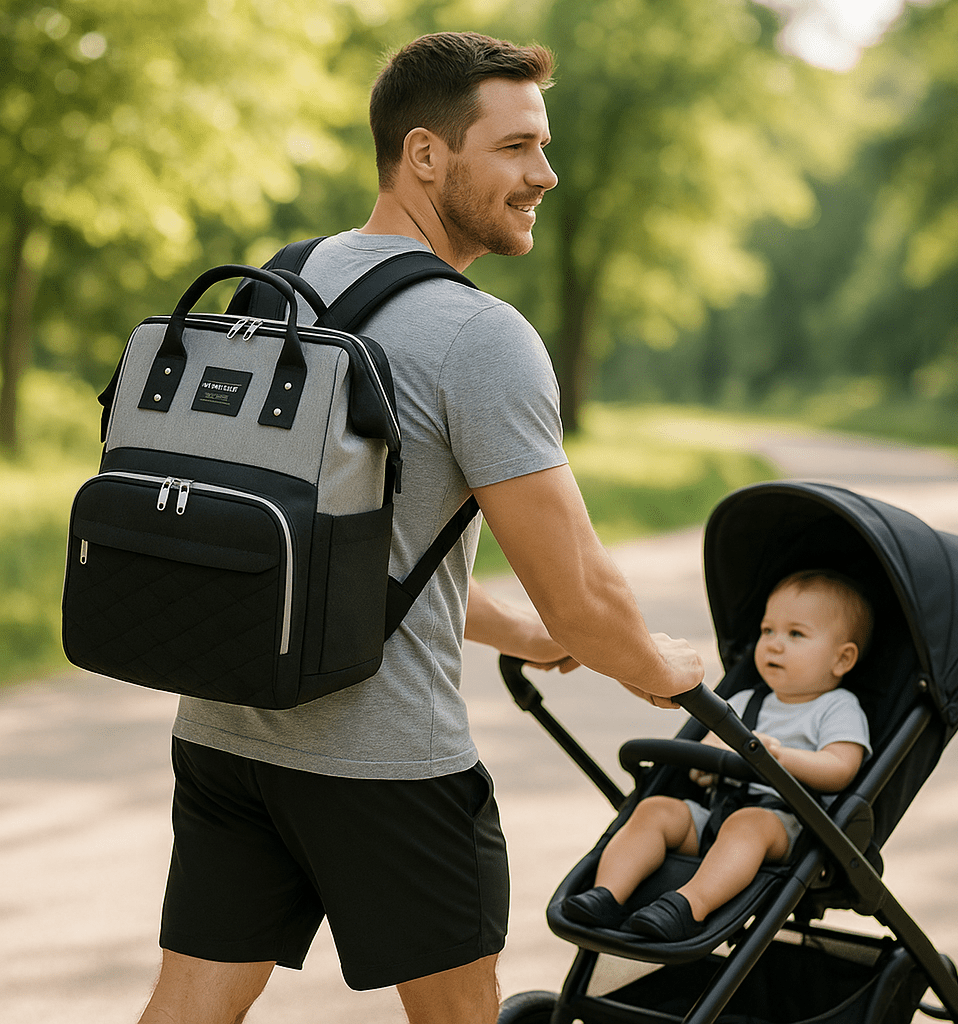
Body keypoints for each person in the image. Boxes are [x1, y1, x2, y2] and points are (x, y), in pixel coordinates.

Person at [136, 31, 704, 1024]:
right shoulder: (480, 338)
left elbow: (345, 555)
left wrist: (530, 635)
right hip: (386, 766)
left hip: (228, 737)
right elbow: (582, 587)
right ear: (426, 156)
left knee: (187, 1008)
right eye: (518, 147)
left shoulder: (279, 283)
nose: (546, 173)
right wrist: (656, 667)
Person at [562, 568, 873, 943]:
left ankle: (688, 906)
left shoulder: (838, 708)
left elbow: (842, 768)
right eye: (767, 631)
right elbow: (708, 750)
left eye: (795, 634)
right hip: (715, 813)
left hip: (782, 823)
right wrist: (705, 768)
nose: (774, 644)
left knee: (748, 824)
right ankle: (607, 894)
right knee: (655, 809)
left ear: (842, 659)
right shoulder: (744, 701)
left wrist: (778, 757)